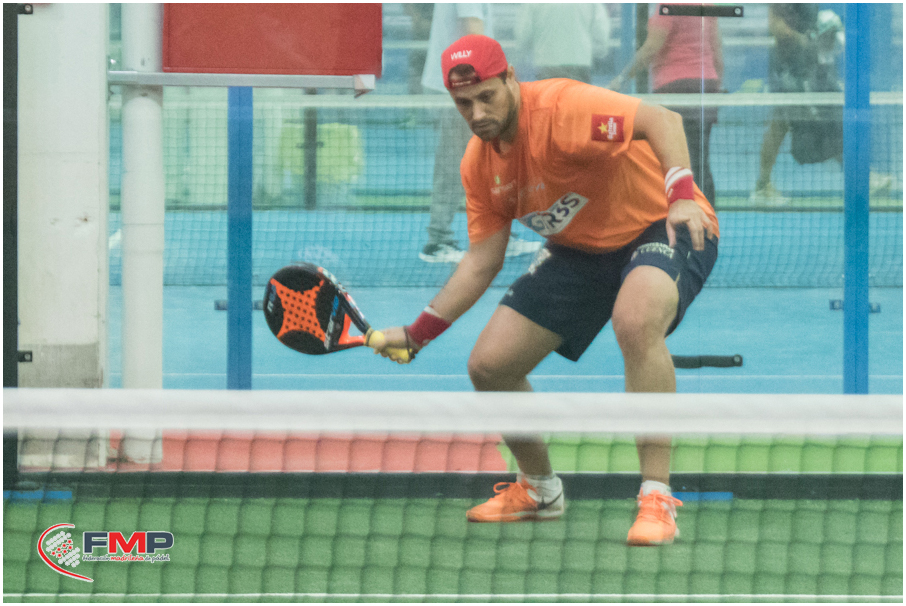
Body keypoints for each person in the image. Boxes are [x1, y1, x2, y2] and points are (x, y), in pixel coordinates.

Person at [369, 35, 719, 546]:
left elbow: (661, 119)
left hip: (660, 223)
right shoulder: (479, 165)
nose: (477, 113)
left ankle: (656, 496)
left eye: (486, 96)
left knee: (636, 320)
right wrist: (418, 333)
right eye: (464, 103)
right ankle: (539, 489)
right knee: (490, 366)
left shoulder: (563, 109)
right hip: (580, 250)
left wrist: (681, 196)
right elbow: (481, 261)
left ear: (510, 78)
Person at [419, 4, 540, 263]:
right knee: (454, 166)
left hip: (467, 88)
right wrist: (496, 80)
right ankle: (437, 241)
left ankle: (498, 236)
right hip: (464, 90)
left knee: (487, 162)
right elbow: (473, 35)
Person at [750, 5, 891, 205]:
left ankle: (762, 186)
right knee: (793, 122)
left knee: (805, 122)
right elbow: (777, 26)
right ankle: (863, 178)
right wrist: (806, 41)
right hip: (790, 69)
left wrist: (822, 33)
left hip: (805, 65)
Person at [609, 4, 723, 208]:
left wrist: (622, 78)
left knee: (671, 160)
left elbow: (652, 47)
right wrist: (716, 89)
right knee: (700, 160)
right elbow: (717, 51)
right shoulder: (706, 6)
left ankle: (672, 213)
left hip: (674, 90)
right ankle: (707, 216)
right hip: (706, 87)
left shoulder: (668, 7)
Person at [514, 3, 612, 84]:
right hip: (580, 64)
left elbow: (523, 34)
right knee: (578, 101)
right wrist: (587, 52)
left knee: (549, 101)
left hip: (547, 65)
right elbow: (601, 34)